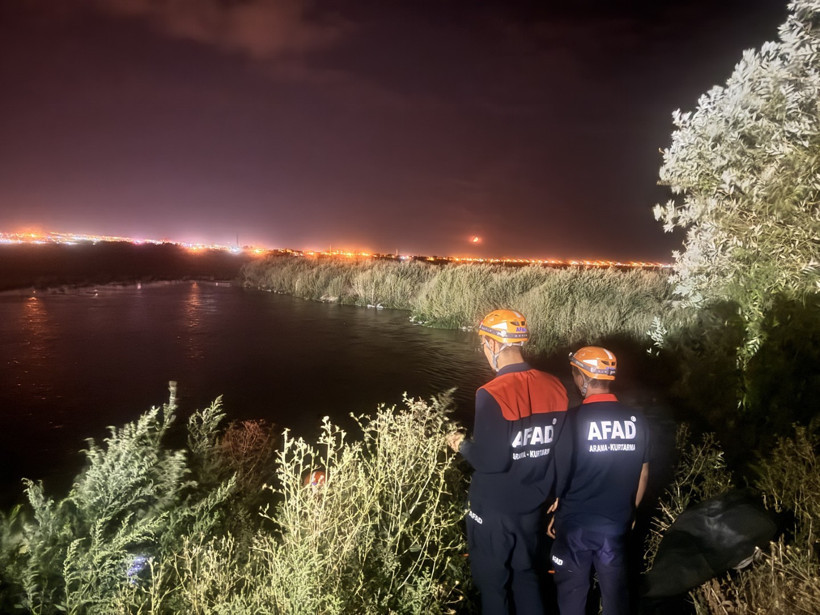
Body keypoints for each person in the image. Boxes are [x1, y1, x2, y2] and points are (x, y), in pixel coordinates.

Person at [446, 309, 568, 615]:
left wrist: (461, 445)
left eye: (483, 344)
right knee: (526, 578)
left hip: (493, 510)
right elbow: (562, 451)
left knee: (493, 586)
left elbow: (490, 461)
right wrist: (558, 494)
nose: (484, 350)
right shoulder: (555, 386)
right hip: (532, 506)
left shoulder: (491, 393)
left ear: (492, 344)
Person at [548, 346, 650, 615]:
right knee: (616, 600)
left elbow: (561, 473)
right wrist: (631, 511)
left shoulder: (571, 420)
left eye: (574, 374)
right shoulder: (636, 420)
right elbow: (643, 473)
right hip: (615, 527)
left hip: (575, 527)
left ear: (582, 377)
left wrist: (557, 509)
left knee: (572, 597)